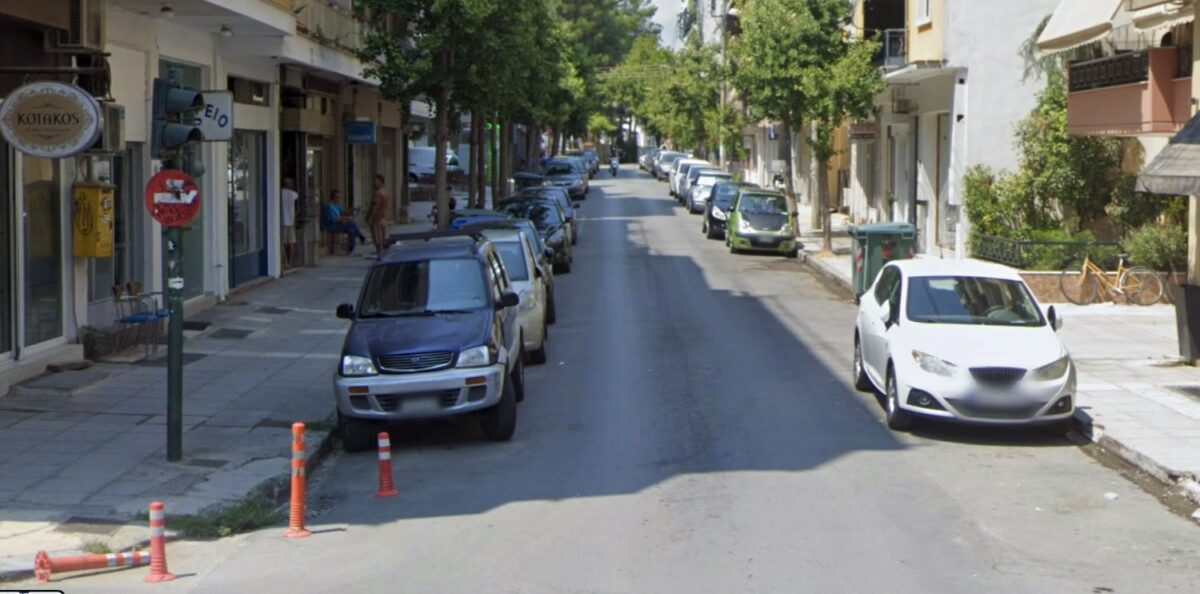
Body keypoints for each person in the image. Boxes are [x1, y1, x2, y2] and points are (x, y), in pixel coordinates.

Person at [321, 190, 366, 255]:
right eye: (338, 197)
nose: (339, 199)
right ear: (334, 197)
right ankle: (361, 237)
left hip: (339, 225)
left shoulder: (336, 205)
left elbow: (343, 211)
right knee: (351, 223)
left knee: (351, 230)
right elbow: (333, 220)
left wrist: (354, 209)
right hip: (331, 226)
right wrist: (345, 218)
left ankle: (351, 248)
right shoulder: (328, 206)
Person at [367, 174, 390, 258]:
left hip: (377, 220)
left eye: (375, 181)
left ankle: (380, 258)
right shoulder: (385, 192)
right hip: (383, 219)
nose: (373, 183)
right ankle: (382, 256)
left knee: (378, 242)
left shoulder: (378, 193)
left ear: (380, 182)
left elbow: (374, 207)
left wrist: (370, 218)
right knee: (381, 241)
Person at [280, 177, 299, 268]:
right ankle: (290, 262)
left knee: (282, 243)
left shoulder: (280, 193)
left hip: (282, 221)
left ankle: (285, 262)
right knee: (291, 242)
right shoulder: (294, 194)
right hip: (291, 221)